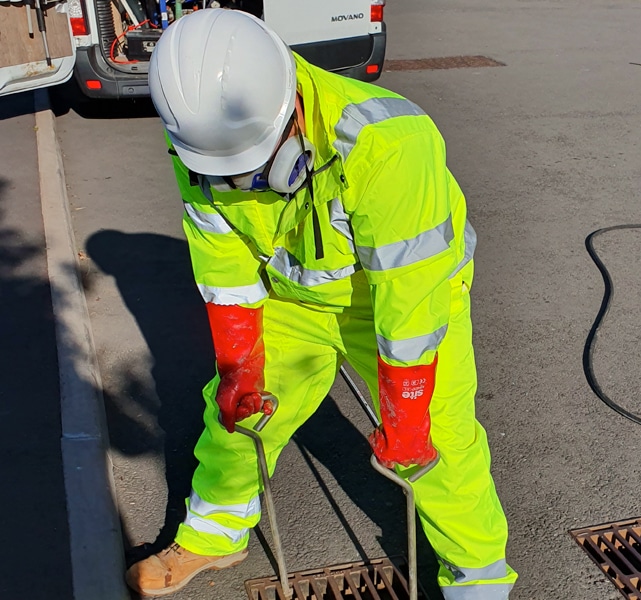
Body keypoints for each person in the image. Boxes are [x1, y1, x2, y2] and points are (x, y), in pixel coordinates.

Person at [125, 8, 517, 599]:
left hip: (394, 299)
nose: (243, 183)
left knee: (438, 438)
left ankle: (478, 577)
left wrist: (405, 413)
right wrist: (238, 363)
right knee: (237, 415)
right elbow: (220, 256)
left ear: (290, 111)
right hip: (293, 300)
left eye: (255, 166)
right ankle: (213, 535)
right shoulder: (200, 136)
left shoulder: (390, 143)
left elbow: (410, 298)